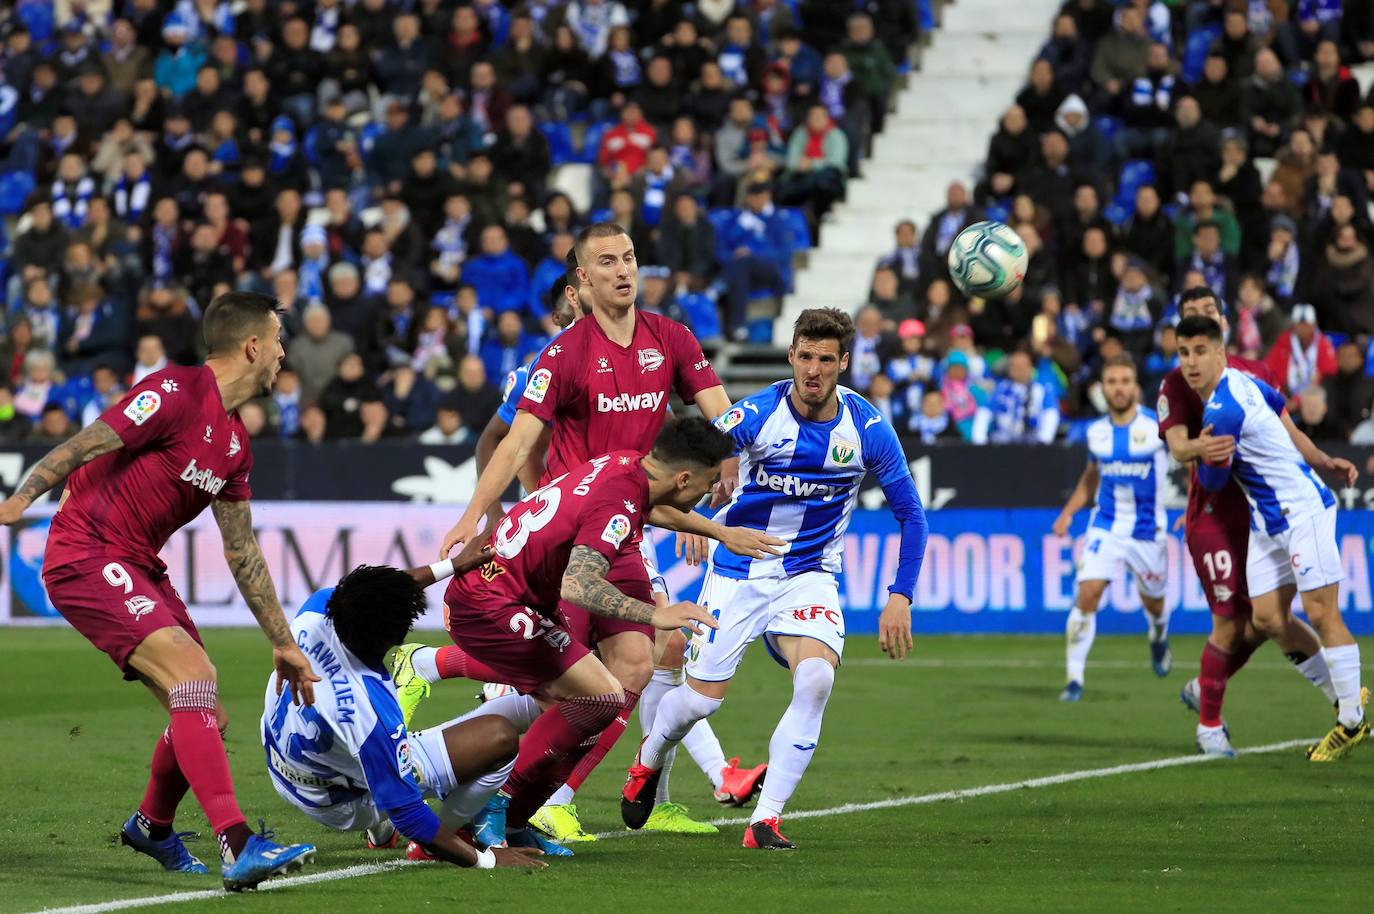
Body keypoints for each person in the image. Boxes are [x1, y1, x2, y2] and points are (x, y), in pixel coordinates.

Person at [401, 235, 770, 840]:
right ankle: (438, 778)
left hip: (626, 528)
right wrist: (476, 512)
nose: (622, 270)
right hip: (571, 541)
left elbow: (718, 412)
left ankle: (530, 805)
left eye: (628, 259)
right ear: (582, 280)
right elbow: (516, 440)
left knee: (638, 664)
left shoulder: (670, 338)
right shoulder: (562, 355)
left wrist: (722, 464)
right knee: (558, 693)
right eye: (607, 262)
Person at [0, 292, 318, 890]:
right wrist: (23, 497)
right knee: (190, 676)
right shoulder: (174, 392)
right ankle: (239, 844)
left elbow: (242, 551)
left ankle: (152, 824)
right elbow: (90, 440)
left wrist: (282, 642)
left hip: (139, 565)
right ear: (252, 346)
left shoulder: (234, 444)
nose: (282, 353)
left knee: (206, 709)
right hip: (86, 551)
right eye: (277, 340)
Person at [622, 308, 928, 850]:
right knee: (700, 703)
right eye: (805, 357)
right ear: (790, 357)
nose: (814, 370)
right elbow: (687, 464)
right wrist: (699, 518)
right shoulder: (757, 415)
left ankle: (764, 820)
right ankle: (646, 762)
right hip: (740, 570)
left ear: (844, 364)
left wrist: (900, 594)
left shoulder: (868, 429)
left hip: (810, 574)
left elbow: (912, 513)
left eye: (826, 360)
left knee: (816, 680)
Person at [443, 417, 730, 853]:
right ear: (684, 478)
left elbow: (650, 507)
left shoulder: (629, 465)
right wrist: (654, 615)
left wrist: (720, 532)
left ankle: (512, 815)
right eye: (707, 485)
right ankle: (487, 802)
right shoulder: (619, 502)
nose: (706, 494)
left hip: (504, 593)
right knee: (598, 699)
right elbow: (578, 585)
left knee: (584, 703)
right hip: (489, 602)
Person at [1158, 288, 1356, 757]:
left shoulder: (1240, 389)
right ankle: (1210, 717)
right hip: (1225, 517)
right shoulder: (1178, 387)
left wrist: (1320, 459)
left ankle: (1348, 710)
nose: (1191, 359)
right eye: (1185, 345)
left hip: (1280, 510)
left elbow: (1286, 428)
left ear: (1222, 332)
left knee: (1293, 616)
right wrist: (1200, 448)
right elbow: (1177, 447)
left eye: (1202, 340)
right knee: (1249, 621)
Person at [262, 560, 545, 870]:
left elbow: (378, 591)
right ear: (396, 638)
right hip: (340, 804)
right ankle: (447, 834)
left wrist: (454, 564)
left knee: (369, 755)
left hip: (284, 769)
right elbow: (409, 816)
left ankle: (380, 827)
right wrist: (486, 861)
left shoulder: (316, 613)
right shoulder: (370, 711)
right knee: (500, 736)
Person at [1051, 356, 1171, 703]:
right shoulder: (1096, 432)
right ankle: (1074, 679)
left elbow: (1190, 465)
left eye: (1125, 381)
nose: (1118, 387)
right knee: (1087, 593)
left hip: (1148, 531)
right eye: (1112, 381)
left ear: (1135, 386)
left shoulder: (1157, 427)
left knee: (1155, 603)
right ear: (1103, 388)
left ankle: (1158, 634)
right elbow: (1091, 477)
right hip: (1105, 525)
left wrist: (1195, 506)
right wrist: (1069, 513)